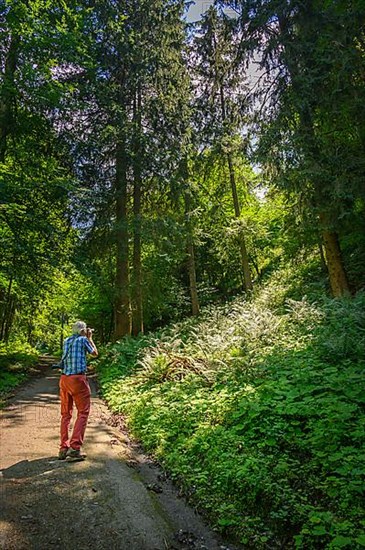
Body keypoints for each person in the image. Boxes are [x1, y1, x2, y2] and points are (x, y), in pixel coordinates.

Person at [58, 320, 98, 461]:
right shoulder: (83, 340)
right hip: (78, 380)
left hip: (64, 379)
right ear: (83, 331)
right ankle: (74, 448)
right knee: (83, 412)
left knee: (65, 414)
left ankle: (63, 448)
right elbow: (95, 353)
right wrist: (90, 337)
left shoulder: (67, 341)